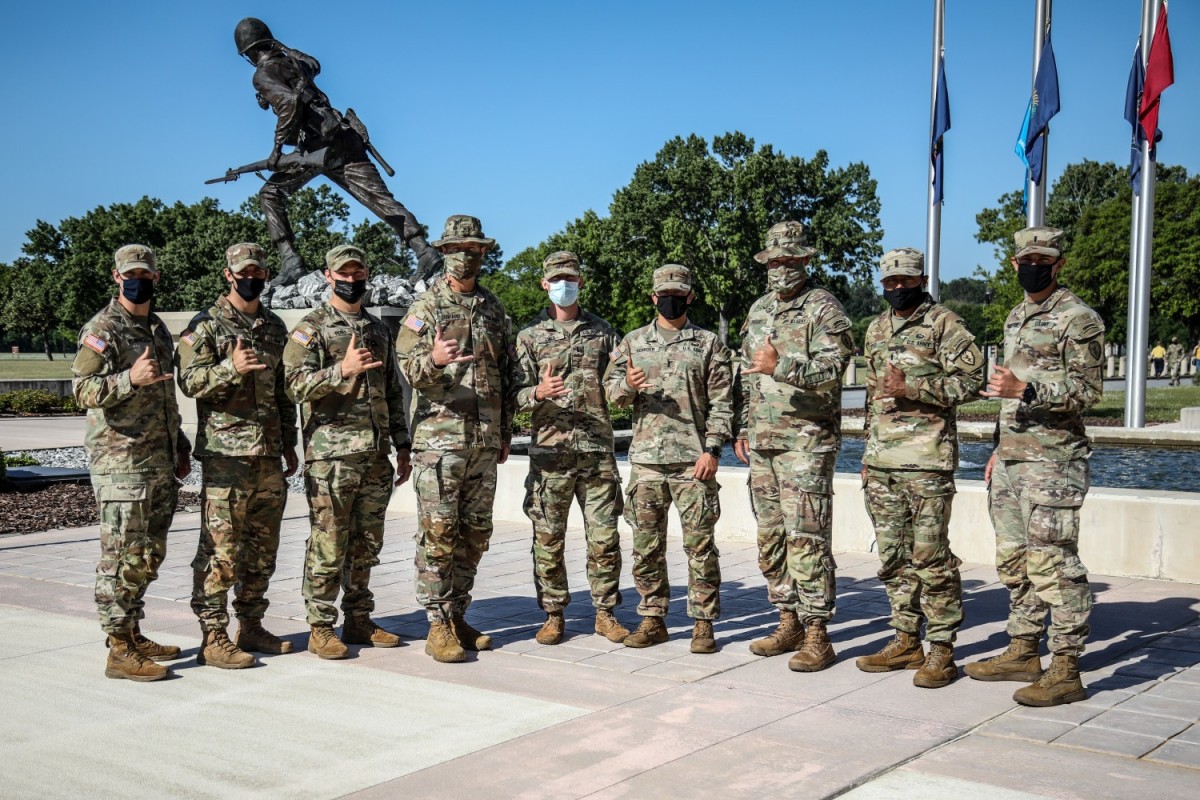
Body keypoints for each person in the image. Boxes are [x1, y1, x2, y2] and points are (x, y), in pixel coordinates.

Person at [966, 226, 1104, 707]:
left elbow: (1088, 392)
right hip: (1011, 459)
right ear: (1014, 264)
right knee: (1014, 560)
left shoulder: (1078, 318)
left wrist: (1027, 390)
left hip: (1053, 462)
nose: (1033, 266)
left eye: (1042, 260)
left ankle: (1066, 668)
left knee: (1054, 564)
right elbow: (1008, 395)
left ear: (1059, 264)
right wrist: (998, 448)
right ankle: (1023, 650)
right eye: (1026, 259)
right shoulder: (1016, 316)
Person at [233, 17, 441, 285]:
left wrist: (276, 150)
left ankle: (291, 261)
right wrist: (284, 48)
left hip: (317, 148)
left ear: (248, 53)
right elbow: (314, 63)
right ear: (269, 41)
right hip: (343, 138)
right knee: (379, 198)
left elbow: (288, 105)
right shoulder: (294, 62)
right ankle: (423, 249)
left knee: (270, 194)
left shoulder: (262, 74)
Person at [858, 248, 983, 688]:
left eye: (906, 280)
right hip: (883, 464)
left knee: (931, 559)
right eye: (890, 282)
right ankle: (906, 639)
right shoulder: (876, 327)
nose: (898, 288)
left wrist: (912, 386)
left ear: (922, 280)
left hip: (927, 463)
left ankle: (942, 650)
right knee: (893, 558)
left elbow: (973, 382)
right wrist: (867, 454)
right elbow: (874, 396)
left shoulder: (945, 324)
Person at [733, 221, 853, 673]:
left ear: (804, 260)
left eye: (788, 260)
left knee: (807, 538)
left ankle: (818, 632)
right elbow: (748, 374)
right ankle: (788, 621)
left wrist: (781, 365)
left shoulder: (822, 307)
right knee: (771, 539)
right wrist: (743, 428)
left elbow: (834, 368)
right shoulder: (759, 309)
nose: (780, 268)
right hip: (763, 442)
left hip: (806, 442)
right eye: (773, 261)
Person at [395, 215, 516, 663]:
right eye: (457, 249)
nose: (466, 256)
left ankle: (458, 614)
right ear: (444, 252)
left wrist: (505, 431)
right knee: (439, 532)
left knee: (475, 534)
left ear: (483, 253)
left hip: (483, 442)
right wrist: (434, 359)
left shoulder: (493, 308)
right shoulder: (424, 309)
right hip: (440, 442)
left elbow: (506, 373)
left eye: (474, 249)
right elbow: (408, 370)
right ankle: (437, 623)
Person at [283, 244, 412, 659]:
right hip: (331, 457)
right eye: (344, 273)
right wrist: (343, 370)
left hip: (375, 455)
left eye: (358, 273)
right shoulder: (311, 328)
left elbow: (392, 392)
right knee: (329, 543)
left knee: (366, 544)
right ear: (328, 276)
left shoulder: (377, 330)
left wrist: (402, 444)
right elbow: (294, 386)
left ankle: (358, 618)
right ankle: (321, 626)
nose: (351, 280)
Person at [176, 243, 299, 668]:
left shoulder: (274, 326)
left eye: (258, 271)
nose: (251, 278)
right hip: (226, 458)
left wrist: (288, 441)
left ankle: (251, 625)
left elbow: (283, 391)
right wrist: (231, 368)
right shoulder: (206, 325)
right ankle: (213, 636)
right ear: (228, 275)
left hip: (267, 455)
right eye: (243, 272)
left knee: (262, 549)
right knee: (221, 551)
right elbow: (189, 381)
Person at [72, 244, 192, 681]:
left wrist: (179, 444)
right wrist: (129, 379)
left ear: (155, 278)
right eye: (130, 274)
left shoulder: (156, 328)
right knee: (122, 555)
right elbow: (82, 390)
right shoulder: (103, 328)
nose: (137, 281)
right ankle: (119, 648)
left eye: (144, 274)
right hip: (121, 462)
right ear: (116, 277)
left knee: (148, 554)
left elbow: (164, 397)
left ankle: (132, 631)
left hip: (157, 459)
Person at [604, 264, 733, 654]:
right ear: (653, 297)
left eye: (678, 294)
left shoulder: (709, 344)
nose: (671, 300)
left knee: (700, 547)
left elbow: (723, 404)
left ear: (690, 297)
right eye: (665, 294)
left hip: (693, 462)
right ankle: (652, 618)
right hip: (646, 462)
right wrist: (628, 385)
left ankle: (703, 623)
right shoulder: (632, 342)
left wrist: (713, 449)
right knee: (646, 547)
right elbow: (611, 395)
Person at [514, 251, 628, 645]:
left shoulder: (603, 332)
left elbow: (617, 388)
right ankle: (553, 614)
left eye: (571, 278)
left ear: (581, 282)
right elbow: (513, 395)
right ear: (545, 284)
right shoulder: (529, 337)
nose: (565, 285)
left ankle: (605, 613)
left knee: (604, 538)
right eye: (557, 279)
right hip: (551, 456)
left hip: (596, 453)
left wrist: (630, 384)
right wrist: (538, 392)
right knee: (548, 539)